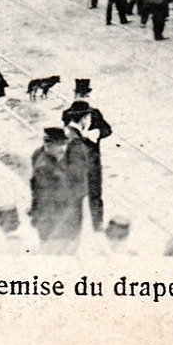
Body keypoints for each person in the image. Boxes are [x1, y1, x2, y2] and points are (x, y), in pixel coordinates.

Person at [28, 125, 88, 254]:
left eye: (62, 145)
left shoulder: (68, 156)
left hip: (69, 217)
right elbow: (43, 194)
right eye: (48, 144)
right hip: (54, 219)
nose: (62, 149)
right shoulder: (44, 167)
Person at [62, 81, 113, 233]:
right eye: (81, 95)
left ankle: (97, 224)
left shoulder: (95, 113)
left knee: (95, 193)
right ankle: (74, 225)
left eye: (86, 95)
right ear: (75, 95)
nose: (84, 97)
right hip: (77, 160)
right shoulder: (68, 113)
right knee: (75, 193)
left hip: (93, 159)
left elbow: (108, 130)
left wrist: (97, 133)